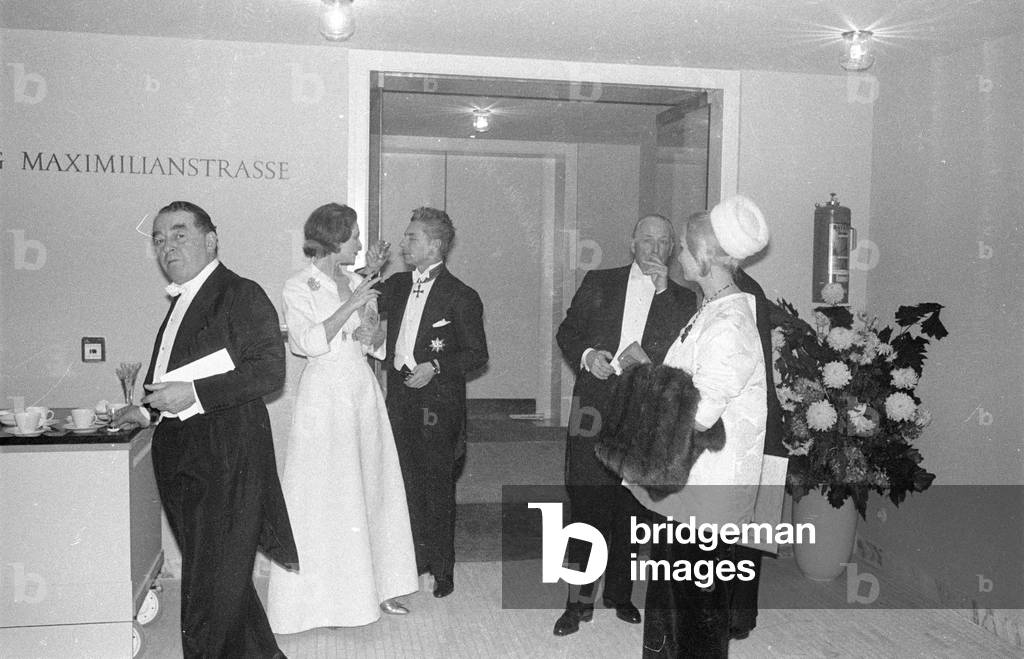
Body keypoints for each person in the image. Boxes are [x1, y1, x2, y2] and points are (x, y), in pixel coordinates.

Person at [116, 201, 297, 658]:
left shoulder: (241, 293)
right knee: (218, 577)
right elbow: (167, 378)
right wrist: (146, 411)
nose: (167, 247)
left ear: (211, 240)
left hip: (227, 459)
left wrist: (194, 392)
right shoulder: (183, 299)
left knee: (209, 589)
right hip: (183, 458)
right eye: (159, 240)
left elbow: (269, 371)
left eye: (179, 235)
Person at [266, 203, 418, 632]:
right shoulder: (298, 286)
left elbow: (370, 342)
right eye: (354, 235)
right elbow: (307, 342)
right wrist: (351, 305)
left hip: (360, 389)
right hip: (325, 394)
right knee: (326, 495)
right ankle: (327, 603)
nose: (359, 243)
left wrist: (372, 328)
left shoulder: (356, 280)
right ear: (334, 239)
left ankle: (380, 587)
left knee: (374, 486)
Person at [630, 196, 769, 658]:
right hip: (691, 478)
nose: (679, 256)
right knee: (671, 592)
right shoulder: (711, 309)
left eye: (686, 249)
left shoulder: (730, 323)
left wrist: (647, 387)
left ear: (706, 256)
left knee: (696, 604)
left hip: (710, 486)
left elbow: (700, 412)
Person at [554, 215, 697, 636]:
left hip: (645, 412)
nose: (654, 248)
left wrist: (663, 292)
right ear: (632, 243)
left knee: (632, 507)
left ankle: (620, 594)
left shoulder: (683, 299)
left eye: (663, 242)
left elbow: (682, 353)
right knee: (587, 501)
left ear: (672, 250)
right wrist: (587, 356)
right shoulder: (600, 281)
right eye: (646, 240)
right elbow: (568, 331)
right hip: (595, 407)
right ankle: (577, 603)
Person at [375, 207, 488, 598]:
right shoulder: (397, 284)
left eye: (412, 237)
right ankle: (413, 563)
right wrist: (371, 270)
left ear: (435, 246)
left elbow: (477, 354)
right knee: (404, 481)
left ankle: (442, 570)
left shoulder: (461, 295)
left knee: (437, 485)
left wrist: (436, 366)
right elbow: (363, 300)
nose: (404, 243)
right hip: (400, 397)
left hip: (438, 402)